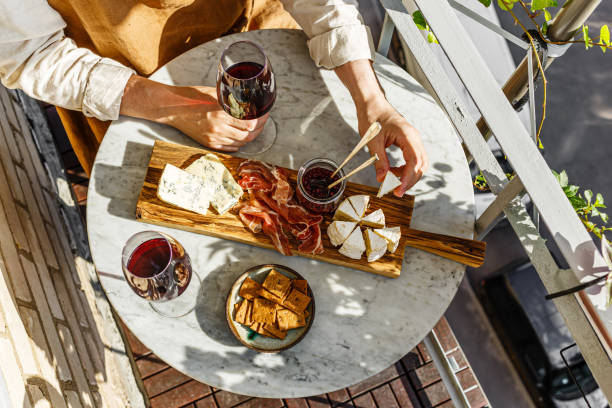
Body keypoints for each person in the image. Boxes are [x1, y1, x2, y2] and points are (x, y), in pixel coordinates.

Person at [0, 0, 427, 196]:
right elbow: (31, 54)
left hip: (253, 34)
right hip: (131, 83)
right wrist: (169, 105)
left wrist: (372, 101)